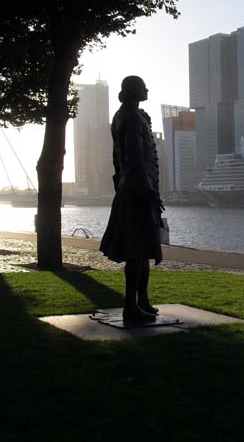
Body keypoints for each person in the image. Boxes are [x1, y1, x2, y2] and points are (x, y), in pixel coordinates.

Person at [100, 75, 164, 322]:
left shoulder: (121, 116)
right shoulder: (132, 117)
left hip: (130, 189)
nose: (147, 89)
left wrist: (123, 185)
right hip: (138, 192)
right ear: (134, 91)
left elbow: (118, 160)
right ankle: (131, 305)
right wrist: (148, 191)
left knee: (144, 249)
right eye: (142, 87)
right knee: (138, 250)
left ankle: (142, 301)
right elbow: (135, 158)